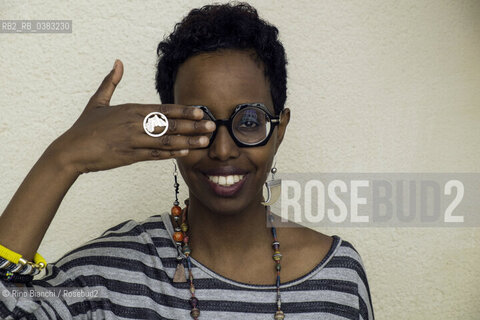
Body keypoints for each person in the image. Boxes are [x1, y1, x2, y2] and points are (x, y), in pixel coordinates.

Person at [0, 2, 374, 319]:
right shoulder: (111, 274)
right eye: (200, 122)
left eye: (248, 121)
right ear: (169, 129)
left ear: (280, 129)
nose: (223, 150)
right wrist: (63, 159)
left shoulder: (338, 277)